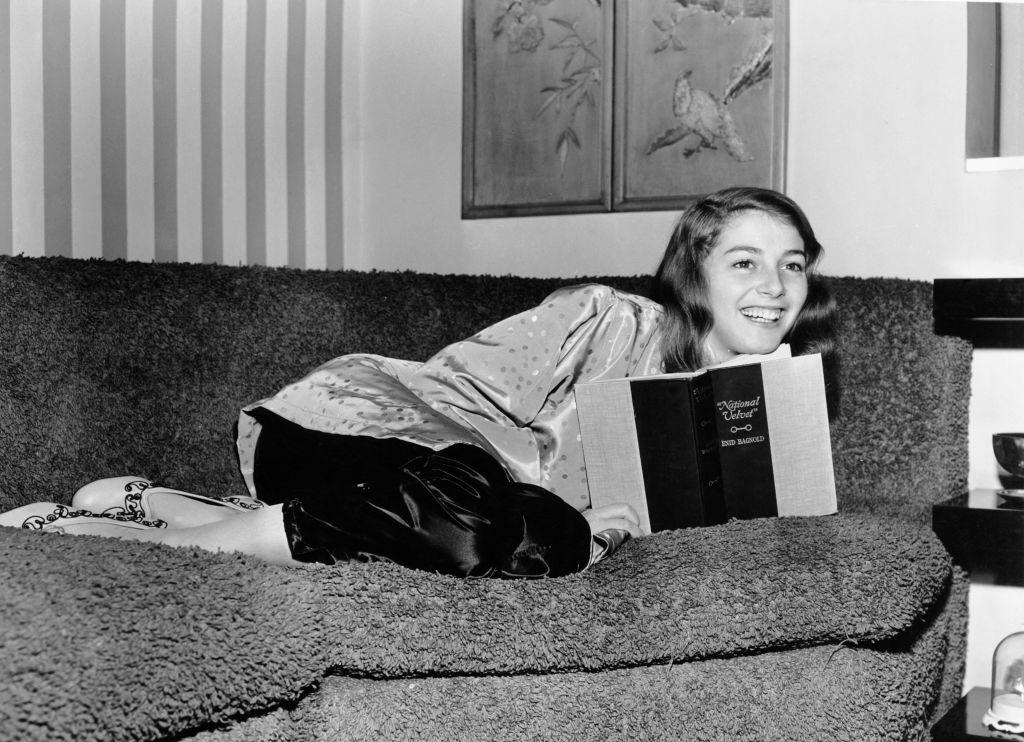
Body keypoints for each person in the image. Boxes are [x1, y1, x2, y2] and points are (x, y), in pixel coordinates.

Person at [1, 186, 838, 577]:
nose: (773, 286)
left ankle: (172, 502)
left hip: (428, 514)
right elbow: (449, 395)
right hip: (347, 431)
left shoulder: (772, 403)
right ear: (695, 270)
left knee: (511, 537)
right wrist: (553, 504)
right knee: (497, 518)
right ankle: (149, 539)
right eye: (745, 262)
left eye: (791, 266)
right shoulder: (607, 318)